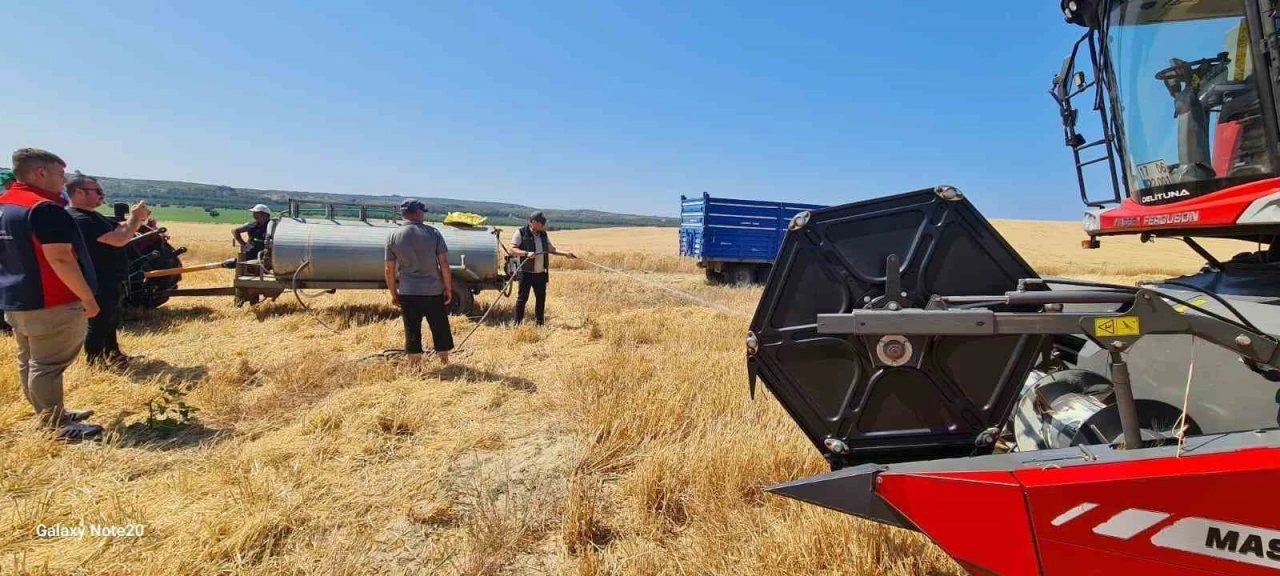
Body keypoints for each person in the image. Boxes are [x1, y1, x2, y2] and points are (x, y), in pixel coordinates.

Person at [0, 148, 102, 440]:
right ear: (40, 172)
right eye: (60, 174)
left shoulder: (5, 205)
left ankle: (47, 413)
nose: (63, 181)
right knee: (47, 366)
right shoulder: (44, 209)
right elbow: (60, 258)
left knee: (30, 360)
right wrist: (87, 297)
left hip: (16, 297)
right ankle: (56, 426)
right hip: (50, 300)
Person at [66, 174, 151, 368]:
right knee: (98, 323)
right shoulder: (79, 219)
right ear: (79, 192)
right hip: (97, 280)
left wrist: (137, 220)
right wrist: (136, 217)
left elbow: (121, 229)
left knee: (110, 319)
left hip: (110, 278)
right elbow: (119, 239)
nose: (102, 195)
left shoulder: (93, 216)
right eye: (97, 191)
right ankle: (95, 362)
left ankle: (113, 353)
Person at [384, 199, 454, 364]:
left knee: (412, 329)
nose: (423, 215)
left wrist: (394, 294)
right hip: (433, 291)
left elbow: (389, 269)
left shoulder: (393, 236)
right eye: (422, 212)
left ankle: (415, 365)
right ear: (417, 213)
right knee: (439, 327)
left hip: (408, 291)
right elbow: (444, 264)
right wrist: (448, 288)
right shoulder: (433, 233)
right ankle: (444, 362)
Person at [508, 211, 575, 326]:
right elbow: (511, 249)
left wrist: (566, 254)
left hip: (540, 274)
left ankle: (539, 324)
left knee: (541, 299)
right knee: (522, 299)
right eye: (541, 223)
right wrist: (526, 253)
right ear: (533, 222)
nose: (543, 225)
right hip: (525, 273)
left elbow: (551, 249)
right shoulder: (521, 232)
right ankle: (517, 324)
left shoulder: (543, 234)